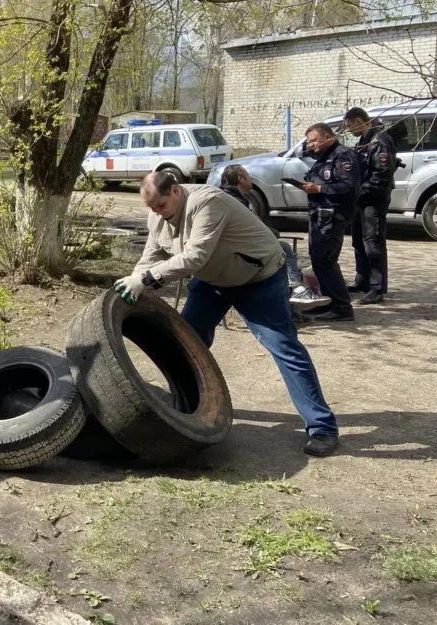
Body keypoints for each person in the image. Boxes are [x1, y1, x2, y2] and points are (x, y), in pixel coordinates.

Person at [114, 172, 340, 457]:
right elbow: (153, 254)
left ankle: (322, 427)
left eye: (160, 205)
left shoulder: (208, 202)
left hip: (258, 279)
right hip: (213, 280)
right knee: (185, 343)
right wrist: (134, 280)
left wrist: (147, 279)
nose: (157, 212)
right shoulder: (157, 214)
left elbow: (195, 256)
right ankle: (187, 407)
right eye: (151, 208)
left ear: (175, 190)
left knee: (284, 348)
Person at [219, 164, 331, 313]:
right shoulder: (235, 202)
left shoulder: (230, 197)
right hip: (238, 253)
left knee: (280, 251)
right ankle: (296, 290)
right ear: (240, 179)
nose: (251, 179)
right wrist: (272, 233)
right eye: (248, 176)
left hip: (233, 248)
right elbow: (251, 229)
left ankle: (291, 303)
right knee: (282, 250)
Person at [301, 122, 360, 322]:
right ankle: (328, 302)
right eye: (309, 142)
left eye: (314, 141)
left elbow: (347, 186)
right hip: (319, 215)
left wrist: (318, 189)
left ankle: (342, 308)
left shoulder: (343, 156)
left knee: (326, 261)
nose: (311, 145)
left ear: (327, 136)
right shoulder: (323, 156)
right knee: (317, 260)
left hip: (333, 216)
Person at [343, 107, 397, 305]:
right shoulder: (365, 140)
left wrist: (361, 192)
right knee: (358, 240)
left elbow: (381, 176)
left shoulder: (379, 141)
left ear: (359, 121)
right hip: (362, 199)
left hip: (374, 199)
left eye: (350, 126)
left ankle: (377, 288)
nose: (349, 130)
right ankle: (362, 280)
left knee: (373, 243)